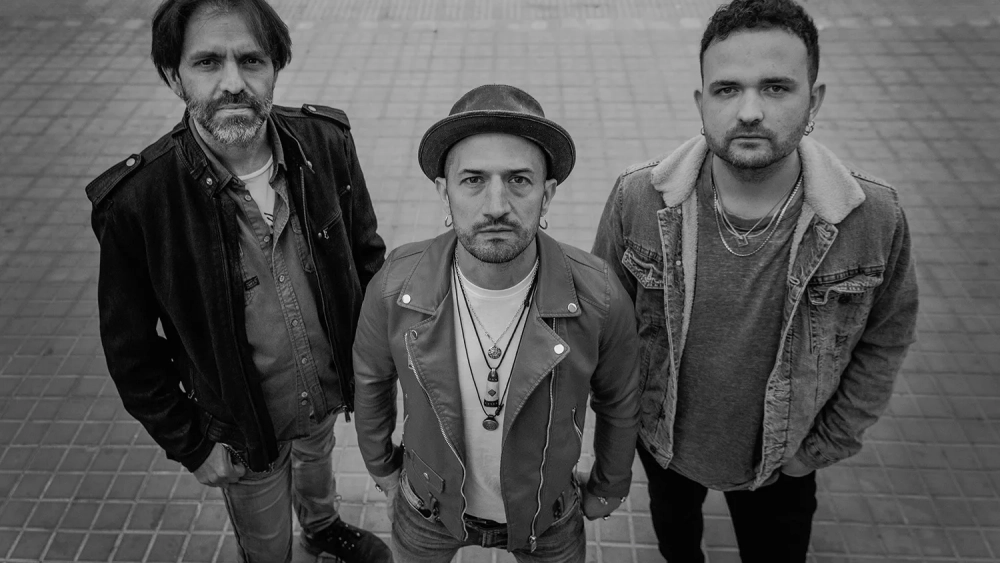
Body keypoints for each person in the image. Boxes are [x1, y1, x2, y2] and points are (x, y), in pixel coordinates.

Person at [592, 0, 919, 561]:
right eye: (727, 89)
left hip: (783, 463)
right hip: (661, 445)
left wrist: (818, 449)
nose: (748, 111)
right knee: (676, 541)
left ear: (814, 99)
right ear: (701, 102)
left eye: (775, 88)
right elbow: (603, 325)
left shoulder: (872, 218)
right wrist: (625, 427)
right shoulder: (638, 200)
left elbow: (886, 339)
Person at [84, 1, 390, 561]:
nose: (233, 82)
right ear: (174, 76)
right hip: (244, 431)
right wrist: (191, 444)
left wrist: (373, 370)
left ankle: (322, 526)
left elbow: (366, 258)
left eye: (251, 60)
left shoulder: (326, 144)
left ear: (276, 67)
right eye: (207, 62)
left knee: (317, 462)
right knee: (266, 545)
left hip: (324, 394)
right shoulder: (139, 203)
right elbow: (130, 352)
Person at [353, 84, 641, 562]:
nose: (495, 206)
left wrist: (611, 485)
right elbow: (370, 379)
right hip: (426, 509)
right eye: (472, 180)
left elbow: (620, 400)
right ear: (444, 192)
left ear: (547, 195)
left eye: (519, 180)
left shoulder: (599, 296)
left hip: (549, 517)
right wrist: (382, 466)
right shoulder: (394, 288)